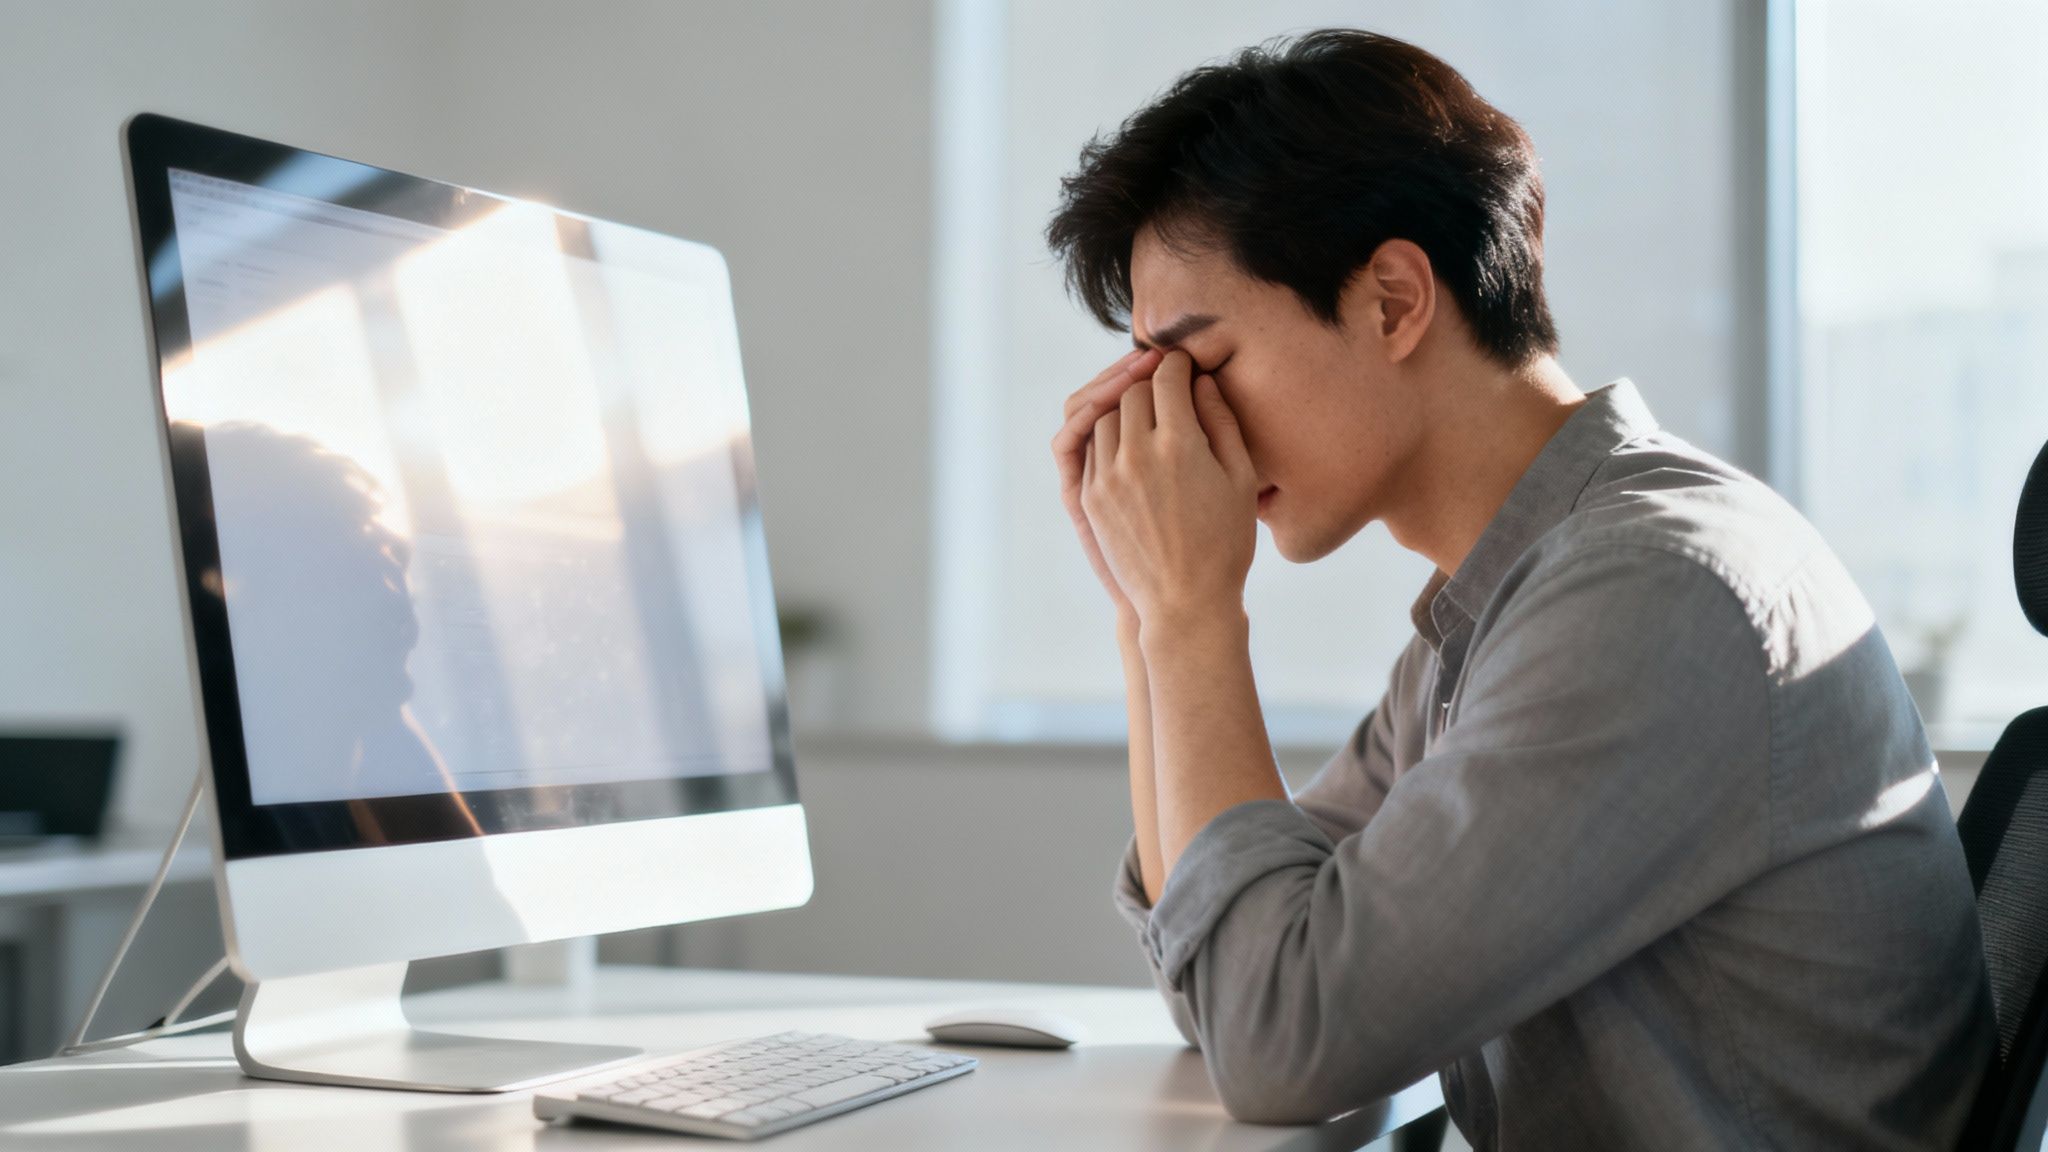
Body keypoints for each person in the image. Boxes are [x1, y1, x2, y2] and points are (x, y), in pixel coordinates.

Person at [1044, 29, 1992, 1150]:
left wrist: (1191, 613)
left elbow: (1276, 1035)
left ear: (1392, 300)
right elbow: (1228, 979)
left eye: (1200, 364)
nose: (1175, 427)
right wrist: (1146, 614)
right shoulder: (1503, 608)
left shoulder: (1651, 598)